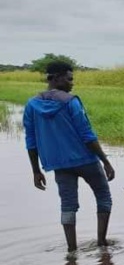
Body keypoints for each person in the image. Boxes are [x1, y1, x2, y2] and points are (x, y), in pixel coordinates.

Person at [23, 59, 115, 251]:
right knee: (104, 197)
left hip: (59, 164)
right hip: (86, 160)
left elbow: (30, 142)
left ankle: (72, 251)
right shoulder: (71, 102)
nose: (72, 83)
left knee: (67, 205)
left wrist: (36, 171)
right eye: (69, 79)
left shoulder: (31, 105)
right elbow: (87, 135)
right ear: (56, 78)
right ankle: (101, 242)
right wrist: (105, 161)